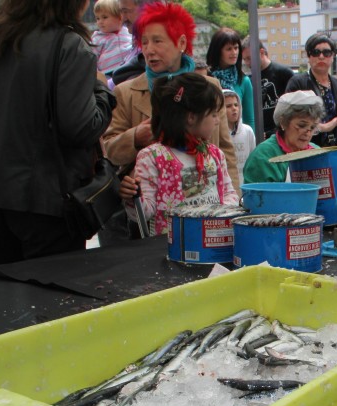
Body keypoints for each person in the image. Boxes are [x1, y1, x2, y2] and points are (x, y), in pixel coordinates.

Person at [0, 0, 115, 264]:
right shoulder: (68, 46)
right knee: (52, 298)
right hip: (47, 203)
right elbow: (81, 126)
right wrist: (102, 92)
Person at [102, 2, 239, 192]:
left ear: (181, 43)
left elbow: (226, 150)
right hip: (151, 204)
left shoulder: (210, 88)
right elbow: (109, 150)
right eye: (145, 42)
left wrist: (232, 206)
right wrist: (134, 137)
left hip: (206, 203)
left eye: (157, 41)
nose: (149, 50)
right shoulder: (126, 92)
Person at [118, 73, 238, 237]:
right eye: (213, 115)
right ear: (191, 117)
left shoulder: (215, 154)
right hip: (169, 247)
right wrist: (133, 198)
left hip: (212, 242)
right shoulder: (153, 157)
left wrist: (218, 213)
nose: (217, 121)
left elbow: (228, 192)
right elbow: (143, 213)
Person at [285, 33, 337, 147]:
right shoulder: (297, 83)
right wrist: (324, 127)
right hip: (307, 150)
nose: (321, 56)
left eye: (327, 53)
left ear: (332, 56)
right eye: (316, 52)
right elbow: (289, 119)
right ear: (308, 56)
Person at [243, 91, 324, 183]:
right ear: (283, 122)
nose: (308, 133)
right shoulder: (263, 156)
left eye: (312, 127)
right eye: (301, 125)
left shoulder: (317, 153)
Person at [242, 36, 294, 139]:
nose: (247, 63)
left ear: (261, 53)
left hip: (282, 134)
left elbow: (294, 108)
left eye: (249, 58)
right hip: (258, 135)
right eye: (244, 60)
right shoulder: (249, 79)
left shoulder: (283, 73)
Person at [207, 27, 255, 129]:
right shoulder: (207, 78)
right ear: (218, 51)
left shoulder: (244, 81)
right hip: (212, 137)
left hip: (238, 139)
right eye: (229, 49)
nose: (234, 52)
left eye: (236, 48)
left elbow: (249, 118)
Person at [223, 89, 256, 185]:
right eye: (228, 106)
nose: (234, 108)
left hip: (245, 182)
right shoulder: (217, 134)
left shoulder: (247, 131)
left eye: (236, 105)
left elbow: (252, 159)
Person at [92, 0, 132, 75]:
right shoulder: (97, 38)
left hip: (127, 70)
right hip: (107, 73)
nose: (100, 21)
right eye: (98, 18)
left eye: (104, 17)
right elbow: (92, 58)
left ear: (119, 17)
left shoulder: (127, 32)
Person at [110, 0, 146, 85]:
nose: (123, 18)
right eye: (121, 11)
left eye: (125, 11)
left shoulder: (149, 54)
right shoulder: (136, 41)